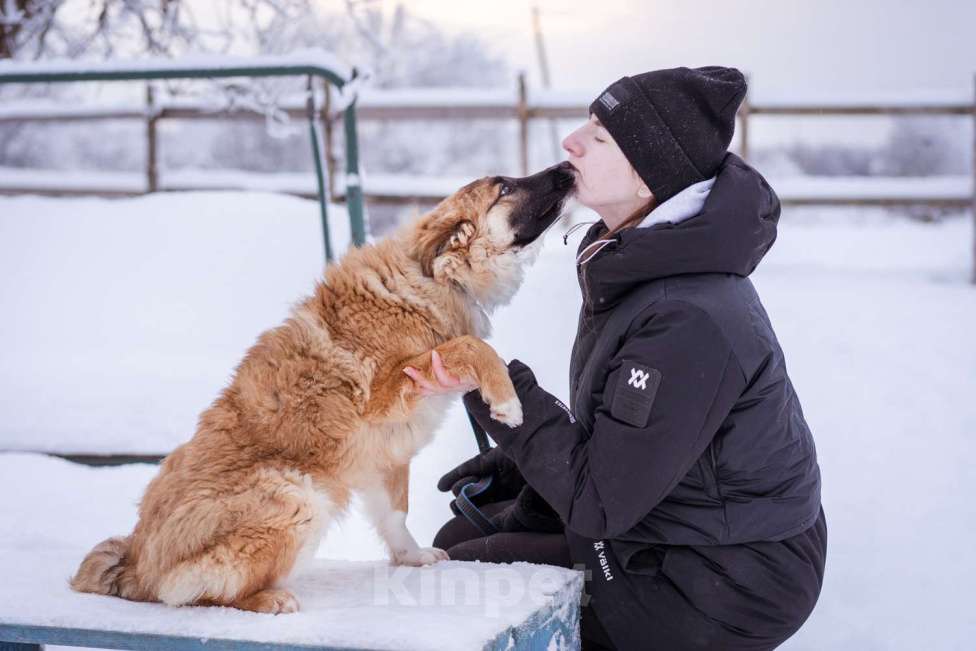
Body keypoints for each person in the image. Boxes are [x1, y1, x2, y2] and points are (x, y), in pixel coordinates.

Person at [403, 66, 827, 651]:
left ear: (652, 174)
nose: (571, 142)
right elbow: (642, 445)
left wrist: (498, 386)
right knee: (461, 530)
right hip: (677, 522)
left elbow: (601, 504)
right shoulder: (642, 257)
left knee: (455, 573)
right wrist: (524, 463)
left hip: (719, 580)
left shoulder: (685, 316)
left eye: (600, 136)